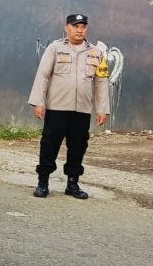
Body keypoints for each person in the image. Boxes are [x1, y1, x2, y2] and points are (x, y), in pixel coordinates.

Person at [28, 13, 110, 200]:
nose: (80, 30)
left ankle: (72, 184)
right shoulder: (55, 48)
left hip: (81, 110)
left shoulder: (96, 53)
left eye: (83, 26)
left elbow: (101, 82)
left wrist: (101, 109)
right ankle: (43, 183)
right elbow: (43, 76)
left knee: (78, 147)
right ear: (67, 28)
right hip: (57, 108)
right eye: (75, 26)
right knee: (49, 145)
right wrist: (39, 102)